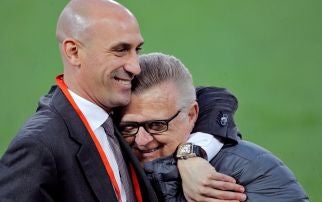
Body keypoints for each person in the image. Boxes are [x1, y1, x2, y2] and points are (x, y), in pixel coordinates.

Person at [0, 0, 246, 201]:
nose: (135, 66)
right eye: (120, 50)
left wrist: (191, 155)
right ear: (74, 52)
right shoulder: (39, 145)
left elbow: (213, 98)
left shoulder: (113, 107)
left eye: (136, 50)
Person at [117, 52, 310, 201]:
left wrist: (189, 153)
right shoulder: (108, 153)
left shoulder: (249, 173)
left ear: (192, 114)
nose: (142, 140)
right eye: (129, 127)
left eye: (157, 125)